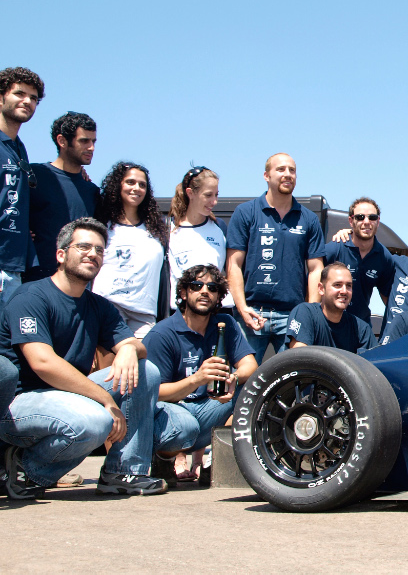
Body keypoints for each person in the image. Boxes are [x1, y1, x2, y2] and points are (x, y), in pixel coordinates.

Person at [0, 218, 170, 498]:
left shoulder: (99, 306)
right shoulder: (30, 296)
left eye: (99, 250)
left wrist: (129, 348)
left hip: (67, 397)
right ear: (61, 254)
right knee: (95, 422)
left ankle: (123, 471)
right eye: (83, 247)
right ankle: (26, 470)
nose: (93, 254)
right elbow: (43, 363)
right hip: (21, 403)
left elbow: (136, 347)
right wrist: (105, 400)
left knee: (145, 371)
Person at [143, 264, 256, 484]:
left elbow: (250, 365)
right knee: (186, 425)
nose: (205, 291)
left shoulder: (225, 324)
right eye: (197, 286)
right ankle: (163, 460)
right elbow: (153, 392)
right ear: (184, 293)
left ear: (219, 296)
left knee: (253, 390)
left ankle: (217, 462)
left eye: (212, 288)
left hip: (208, 407)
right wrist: (197, 379)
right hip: (172, 411)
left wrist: (232, 379)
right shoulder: (162, 333)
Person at [226, 153, 326, 364]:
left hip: (292, 315)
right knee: (243, 378)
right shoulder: (245, 212)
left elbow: (316, 269)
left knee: (293, 378)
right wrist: (242, 308)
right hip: (251, 313)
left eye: (292, 170)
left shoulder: (308, 219)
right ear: (266, 175)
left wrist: (308, 313)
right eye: (281, 169)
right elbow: (233, 264)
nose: (288, 174)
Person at [92, 161, 169, 338]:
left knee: (143, 356)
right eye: (130, 182)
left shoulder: (157, 228)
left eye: (142, 185)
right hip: (109, 305)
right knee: (112, 357)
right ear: (118, 185)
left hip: (144, 312)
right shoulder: (102, 224)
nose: (136, 188)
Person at [26, 112, 100, 282]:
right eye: (84, 141)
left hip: (78, 286)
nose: (91, 148)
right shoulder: (33, 176)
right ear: (62, 141)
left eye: (93, 141)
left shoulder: (92, 191)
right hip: (35, 281)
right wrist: (22, 231)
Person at [0, 67, 45, 310]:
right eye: (19, 94)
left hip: (14, 266)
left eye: (33, 98)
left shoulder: (18, 148)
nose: (27, 101)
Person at [167, 166, 233, 313]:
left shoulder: (219, 227)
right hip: (182, 312)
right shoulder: (169, 229)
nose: (214, 201)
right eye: (208, 195)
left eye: (216, 195)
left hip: (217, 311)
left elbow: (230, 270)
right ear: (190, 193)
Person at [323, 197, 396, 325]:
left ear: (378, 221)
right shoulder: (335, 248)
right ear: (351, 221)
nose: (366, 222)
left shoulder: (384, 257)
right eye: (360, 217)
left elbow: (388, 299)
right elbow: (313, 285)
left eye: (372, 217)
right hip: (329, 324)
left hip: (360, 326)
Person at [286, 262, 377, 352]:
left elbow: (375, 359)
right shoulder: (305, 313)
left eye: (348, 286)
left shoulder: (361, 329)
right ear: (321, 289)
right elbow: (298, 355)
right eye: (337, 285)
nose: (344, 291)